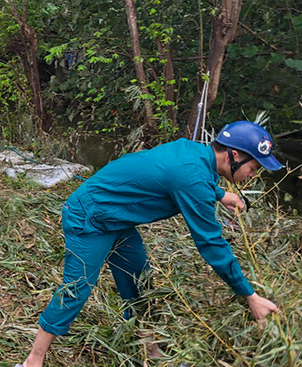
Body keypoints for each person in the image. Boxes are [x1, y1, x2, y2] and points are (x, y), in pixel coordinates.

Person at [17, 121, 283, 367]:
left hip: (117, 218)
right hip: (90, 217)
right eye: (254, 167)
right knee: (77, 288)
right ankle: (33, 359)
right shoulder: (192, 177)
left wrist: (220, 193)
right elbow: (212, 244)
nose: (252, 175)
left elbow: (178, 176)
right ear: (234, 156)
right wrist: (251, 296)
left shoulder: (193, 153)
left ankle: (150, 349)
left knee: (140, 282)